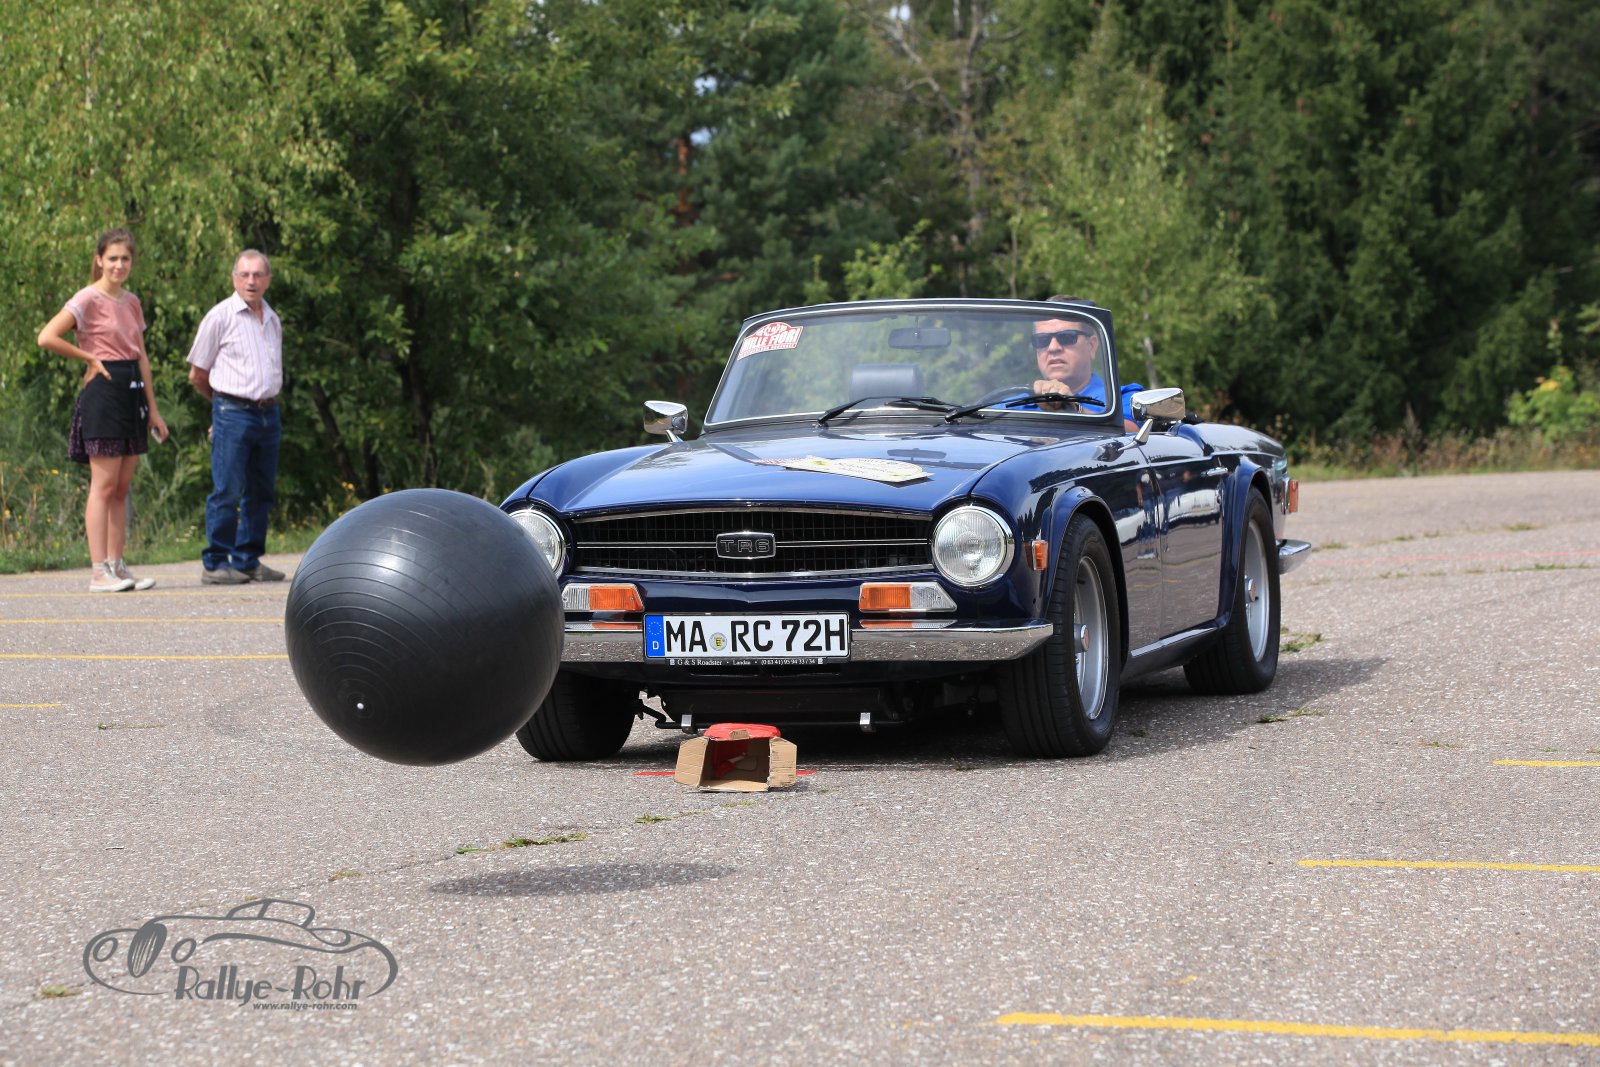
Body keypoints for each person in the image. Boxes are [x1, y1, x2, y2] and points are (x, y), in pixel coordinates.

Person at [37, 228, 169, 592]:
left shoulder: (132, 302)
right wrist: (89, 357)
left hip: (132, 392)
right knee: (104, 484)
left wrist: (153, 409)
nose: (119, 265)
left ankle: (117, 565)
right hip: (103, 391)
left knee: (122, 487)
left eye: (125, 258)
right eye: (112, 258)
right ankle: (98, 571)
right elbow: (46, 337)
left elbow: (141, 356)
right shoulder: (87, 298)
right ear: (99, 260)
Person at [186, 250, 286, 584]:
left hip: (268, 412)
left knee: (261, 490)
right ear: (234, 278)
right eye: (244, 275)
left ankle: (247, 559)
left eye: (258, 275)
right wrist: (221, 409)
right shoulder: (220, 317)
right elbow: (197, 374)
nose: (251, 281)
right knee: (227, 489)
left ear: (268, 280)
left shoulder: (272, 319)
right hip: (233, 411)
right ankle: (216, 562)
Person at [1028, 295, 1143, 432]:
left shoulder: (1124, 399)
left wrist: (1073, 409)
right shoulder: (1012, 405)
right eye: (1042, 340)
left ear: (1091, 346)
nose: (1053, 347)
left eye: (1066, 337)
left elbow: (1131, 434)